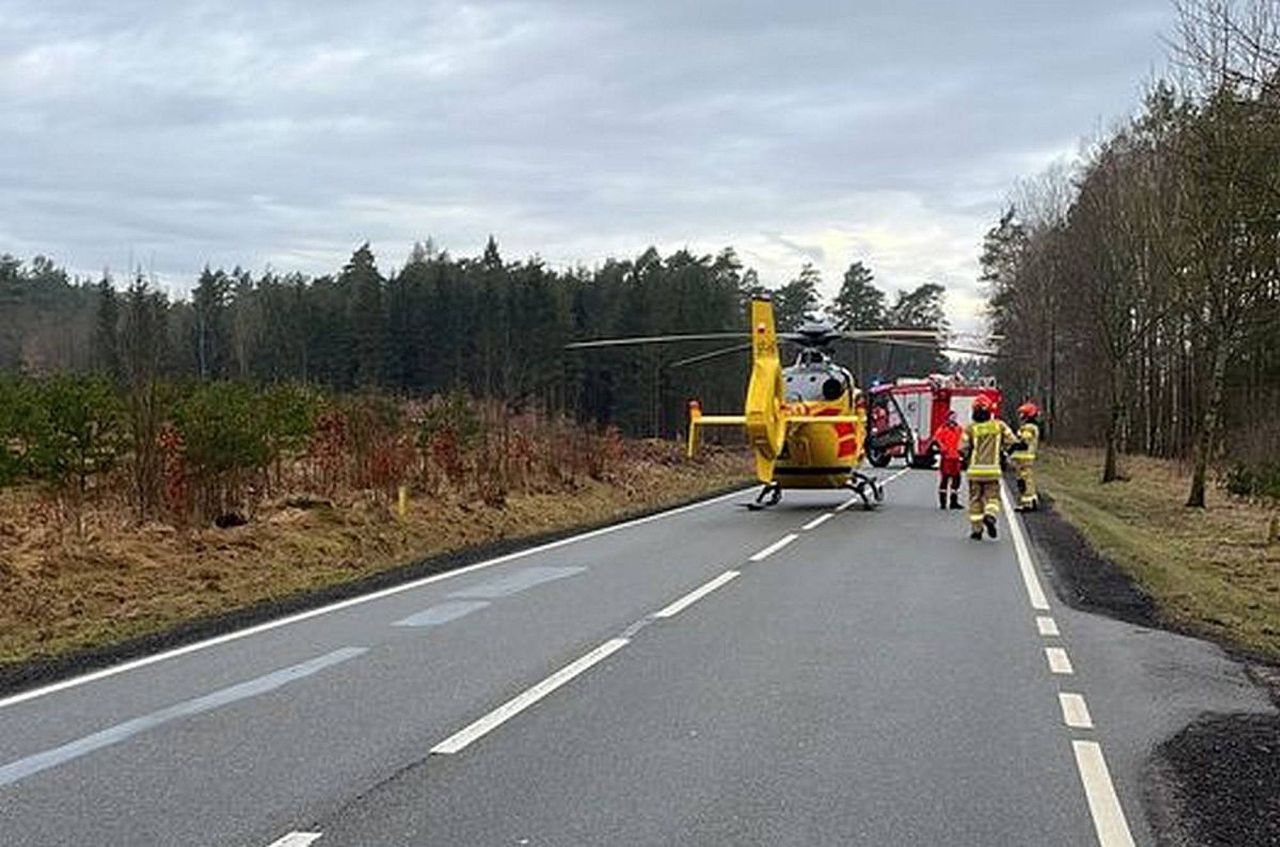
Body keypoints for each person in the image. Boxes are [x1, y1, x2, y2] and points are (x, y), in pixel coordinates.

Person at [961, 395, 1018, 540]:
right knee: (992, 498)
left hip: (974, 471)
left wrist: (965, 461)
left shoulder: (970, 428)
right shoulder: (999, 425)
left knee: (975, 500)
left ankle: (976, 530)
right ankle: (990, 516)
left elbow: (962, 449)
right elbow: (1012, 441)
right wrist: (1006, 452)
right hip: (992, 470)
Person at [929, 410, 964, 510]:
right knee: (945, 479)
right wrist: (942, 448)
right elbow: (936, 440)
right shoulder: (943, 429)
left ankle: (954, 502)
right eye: (952, 417)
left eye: (955, 417)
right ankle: (943, 502)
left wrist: (962, 452)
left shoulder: (959, 429)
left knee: (956, 480)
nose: (954, 418)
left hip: (956, 457)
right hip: (947, 457)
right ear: (948, 418)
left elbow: (963, 440)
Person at [1010, 401, 1041, 511]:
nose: (1020, 416)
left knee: (1024, 481)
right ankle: (1032, 500)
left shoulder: (1028, 427)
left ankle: (1027, 503)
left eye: (1022, 413)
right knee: (1028, 480)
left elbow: (1024, 442)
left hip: (1024, 459)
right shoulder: (1032, 426)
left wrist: (1012, 448)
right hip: (1026, 459)